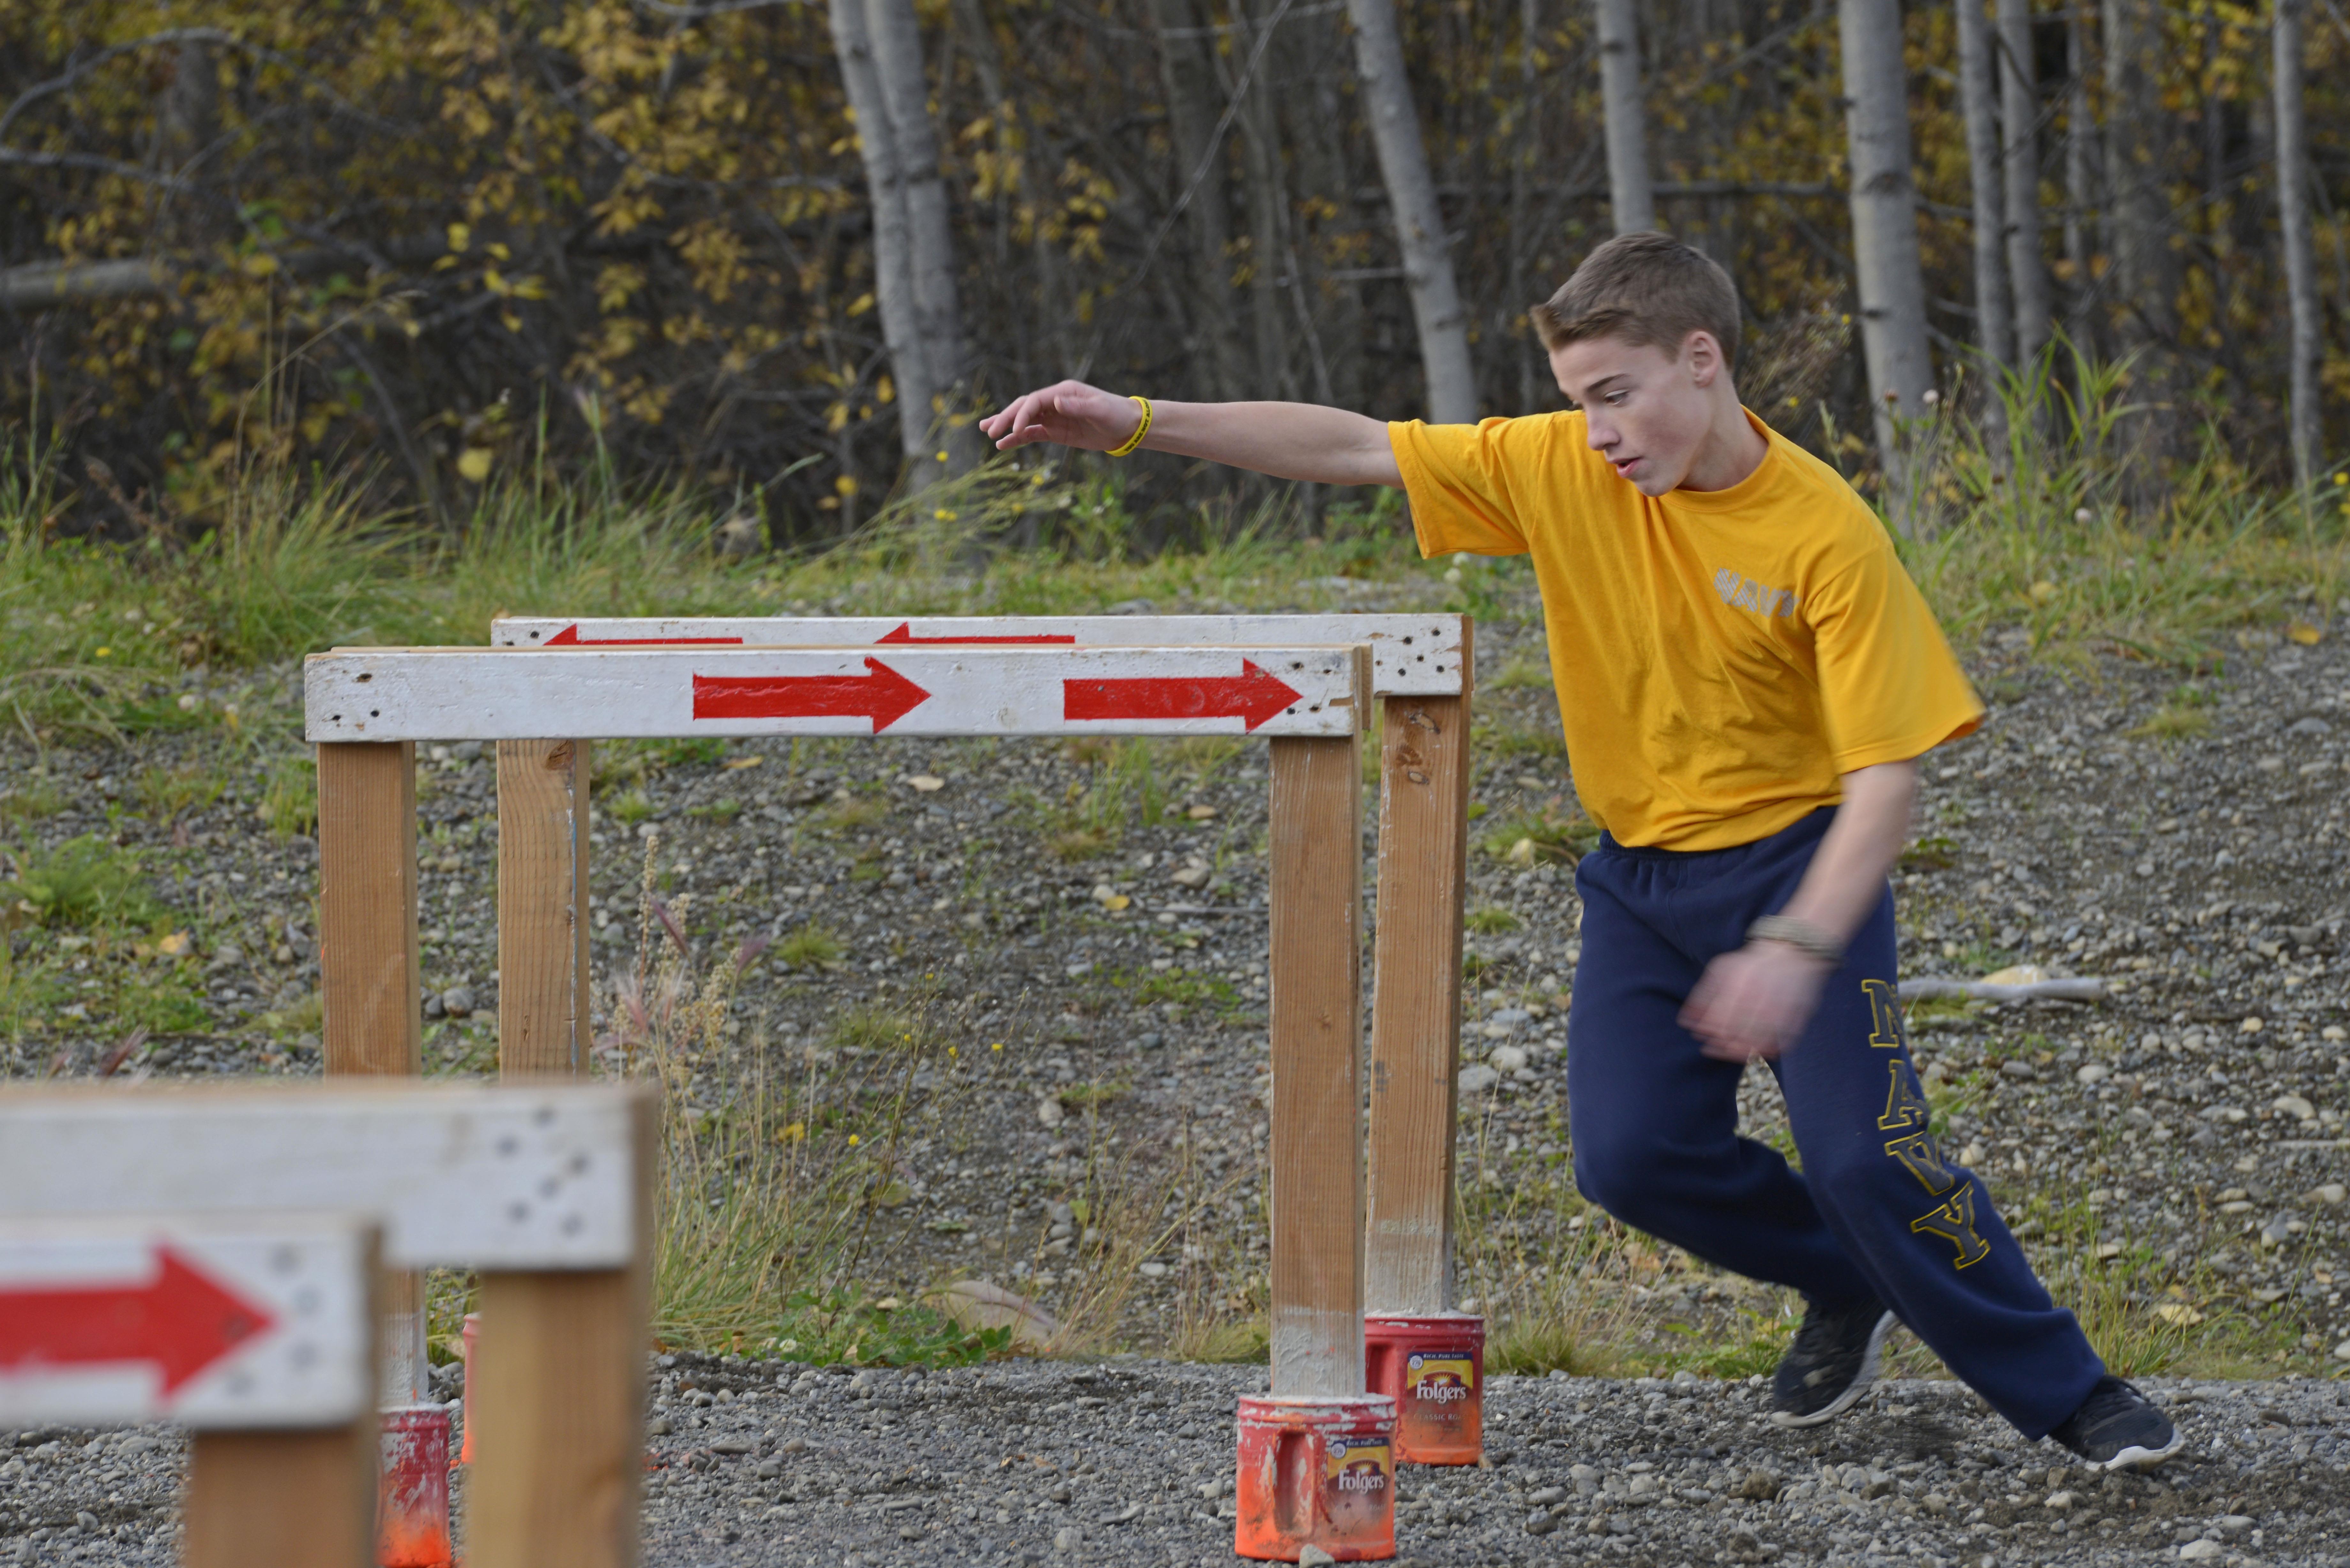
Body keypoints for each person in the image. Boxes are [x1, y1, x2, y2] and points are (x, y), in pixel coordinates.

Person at [980, 232, 2180, 1471]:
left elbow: (1887, 783)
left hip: (1798, 871)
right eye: (1576, 400)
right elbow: (1351, 446)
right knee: (1632, 1160)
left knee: (1869, 1159)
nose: (1597, 428)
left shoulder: (1825, 535)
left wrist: (1792, 946)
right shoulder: (1559, 467)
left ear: (1699, 360)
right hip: (1643, 882)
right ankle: (1851, 1278)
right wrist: (1129, 420)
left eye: (1616, 393)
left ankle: (2074, 1394)